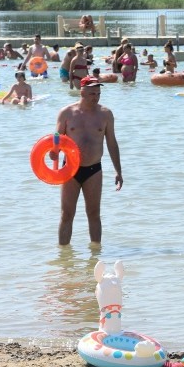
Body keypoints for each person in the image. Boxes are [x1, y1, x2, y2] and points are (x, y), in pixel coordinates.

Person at [54, 76, 123, 245]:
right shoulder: (67, 113)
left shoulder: (105, 114)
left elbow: (112, 143)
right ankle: (64, 260)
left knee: (94, 213)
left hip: (93, 169)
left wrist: (118, 171)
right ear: (82, 91)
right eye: (92, 93)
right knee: (67, 214)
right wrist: (54, 153)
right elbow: (56, 140)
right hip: (70, 169)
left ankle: (95, 256)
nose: (96, 97)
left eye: (98, 93)